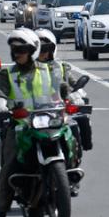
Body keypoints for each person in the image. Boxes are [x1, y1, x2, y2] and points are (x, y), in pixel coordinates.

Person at [0, 28, 60, 217]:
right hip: (20, 124)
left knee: (69, 136)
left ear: (32, 50)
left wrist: (72, 96)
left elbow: (60, 89)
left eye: (22, 49)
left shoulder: (48, 70)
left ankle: (68, 176)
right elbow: (1, 95)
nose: (17, 53)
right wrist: (1, 106)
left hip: (47, 119)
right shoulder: (6, 74)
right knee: (9, 163)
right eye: (14, 50)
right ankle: (1, 211)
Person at [35, 28, 91, 197]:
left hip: (57, 113)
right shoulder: (26, 70)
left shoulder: (62, 67)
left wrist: (77, 96)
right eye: (40, 49)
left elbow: (75, 86)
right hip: (33, 115)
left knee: (76, 124)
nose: (43, 53)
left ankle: (72, 170)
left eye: (47, 49)